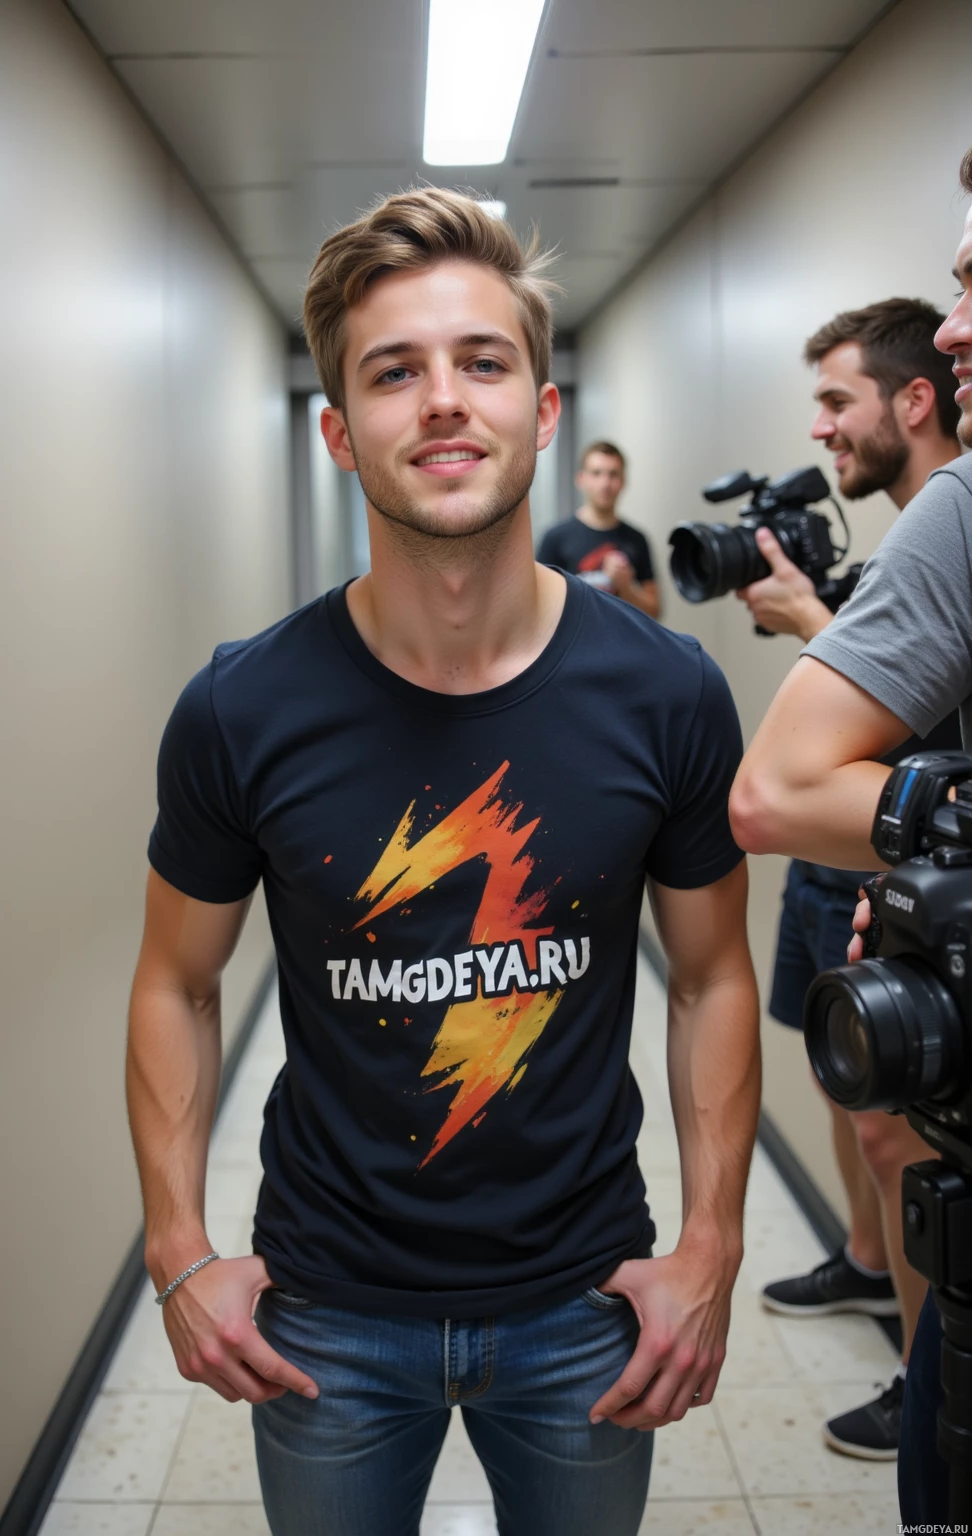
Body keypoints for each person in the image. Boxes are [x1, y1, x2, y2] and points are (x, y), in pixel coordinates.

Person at [126, 188, 761, 1536]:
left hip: (587, 1302)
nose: (444, 400)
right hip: (329, 1315)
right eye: (394, 371)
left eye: (483, 360)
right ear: (339, 432)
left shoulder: (668, 696)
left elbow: (711, 979)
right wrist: (179, 1248)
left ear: (543, 408)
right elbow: (174, 983)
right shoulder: (242, 709)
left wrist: (711, 1245)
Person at [729, 148, 972, 1526]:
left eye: (838, 400)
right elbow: (792, 786)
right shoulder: (949, 523)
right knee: (882, 1135)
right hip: (887, 919)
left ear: (912, 403)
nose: (823, 429)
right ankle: (886, 1289)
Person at [537, 441, 662, 617]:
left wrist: (625, 586)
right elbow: (538, 606)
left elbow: (654, 612)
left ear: (623, 482)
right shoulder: (556, 538)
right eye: (596, 473)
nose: (605, 483)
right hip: (576, 644)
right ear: (581, 479)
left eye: (613, 474)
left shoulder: (637, 539)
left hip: (622, 642)